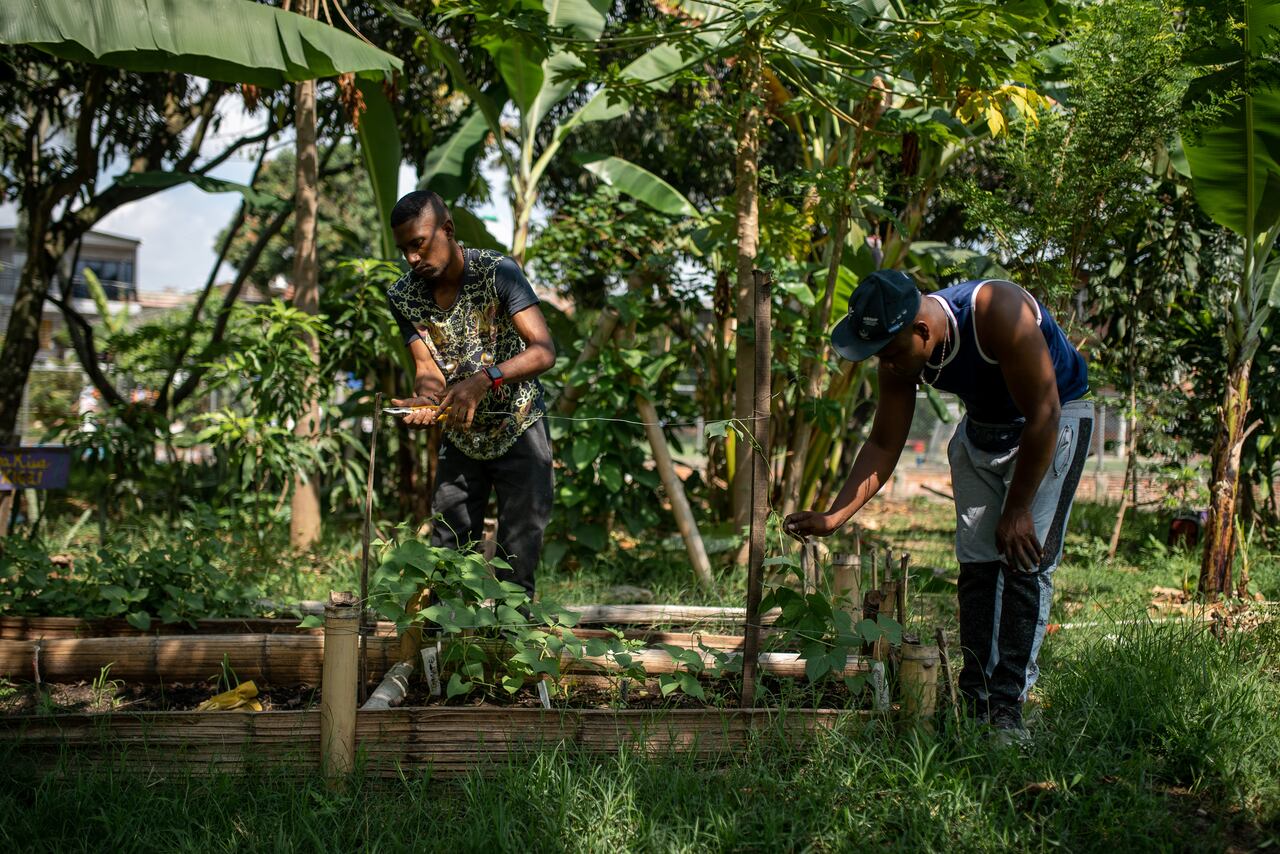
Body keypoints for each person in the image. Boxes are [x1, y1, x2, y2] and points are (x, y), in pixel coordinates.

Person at [784, 270, 1091, 737]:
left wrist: (1018, 508)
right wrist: (834, 517)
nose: (883, 364)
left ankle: (1008, 711)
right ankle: (975, 700)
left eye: (887, 352)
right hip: (984, 428)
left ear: (921, 331)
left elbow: (1044, 412)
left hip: (1054, 422)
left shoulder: (997, 313)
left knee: (1025, 560)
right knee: (977, 562)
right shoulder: (900, 354)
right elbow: (885, 443)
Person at [385, 190, 556, 597]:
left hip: (519, 426)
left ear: (447, 230)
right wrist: (425, 401)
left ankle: (511, 651)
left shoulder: (498, 272)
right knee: (447, 554)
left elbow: (543, 351)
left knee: (517, 557)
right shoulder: (403, 295)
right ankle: (447, 652)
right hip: (461, 436)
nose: (411, 258)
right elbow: (427, 369)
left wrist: (485, 379)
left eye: (419, 243)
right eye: (404, 249)